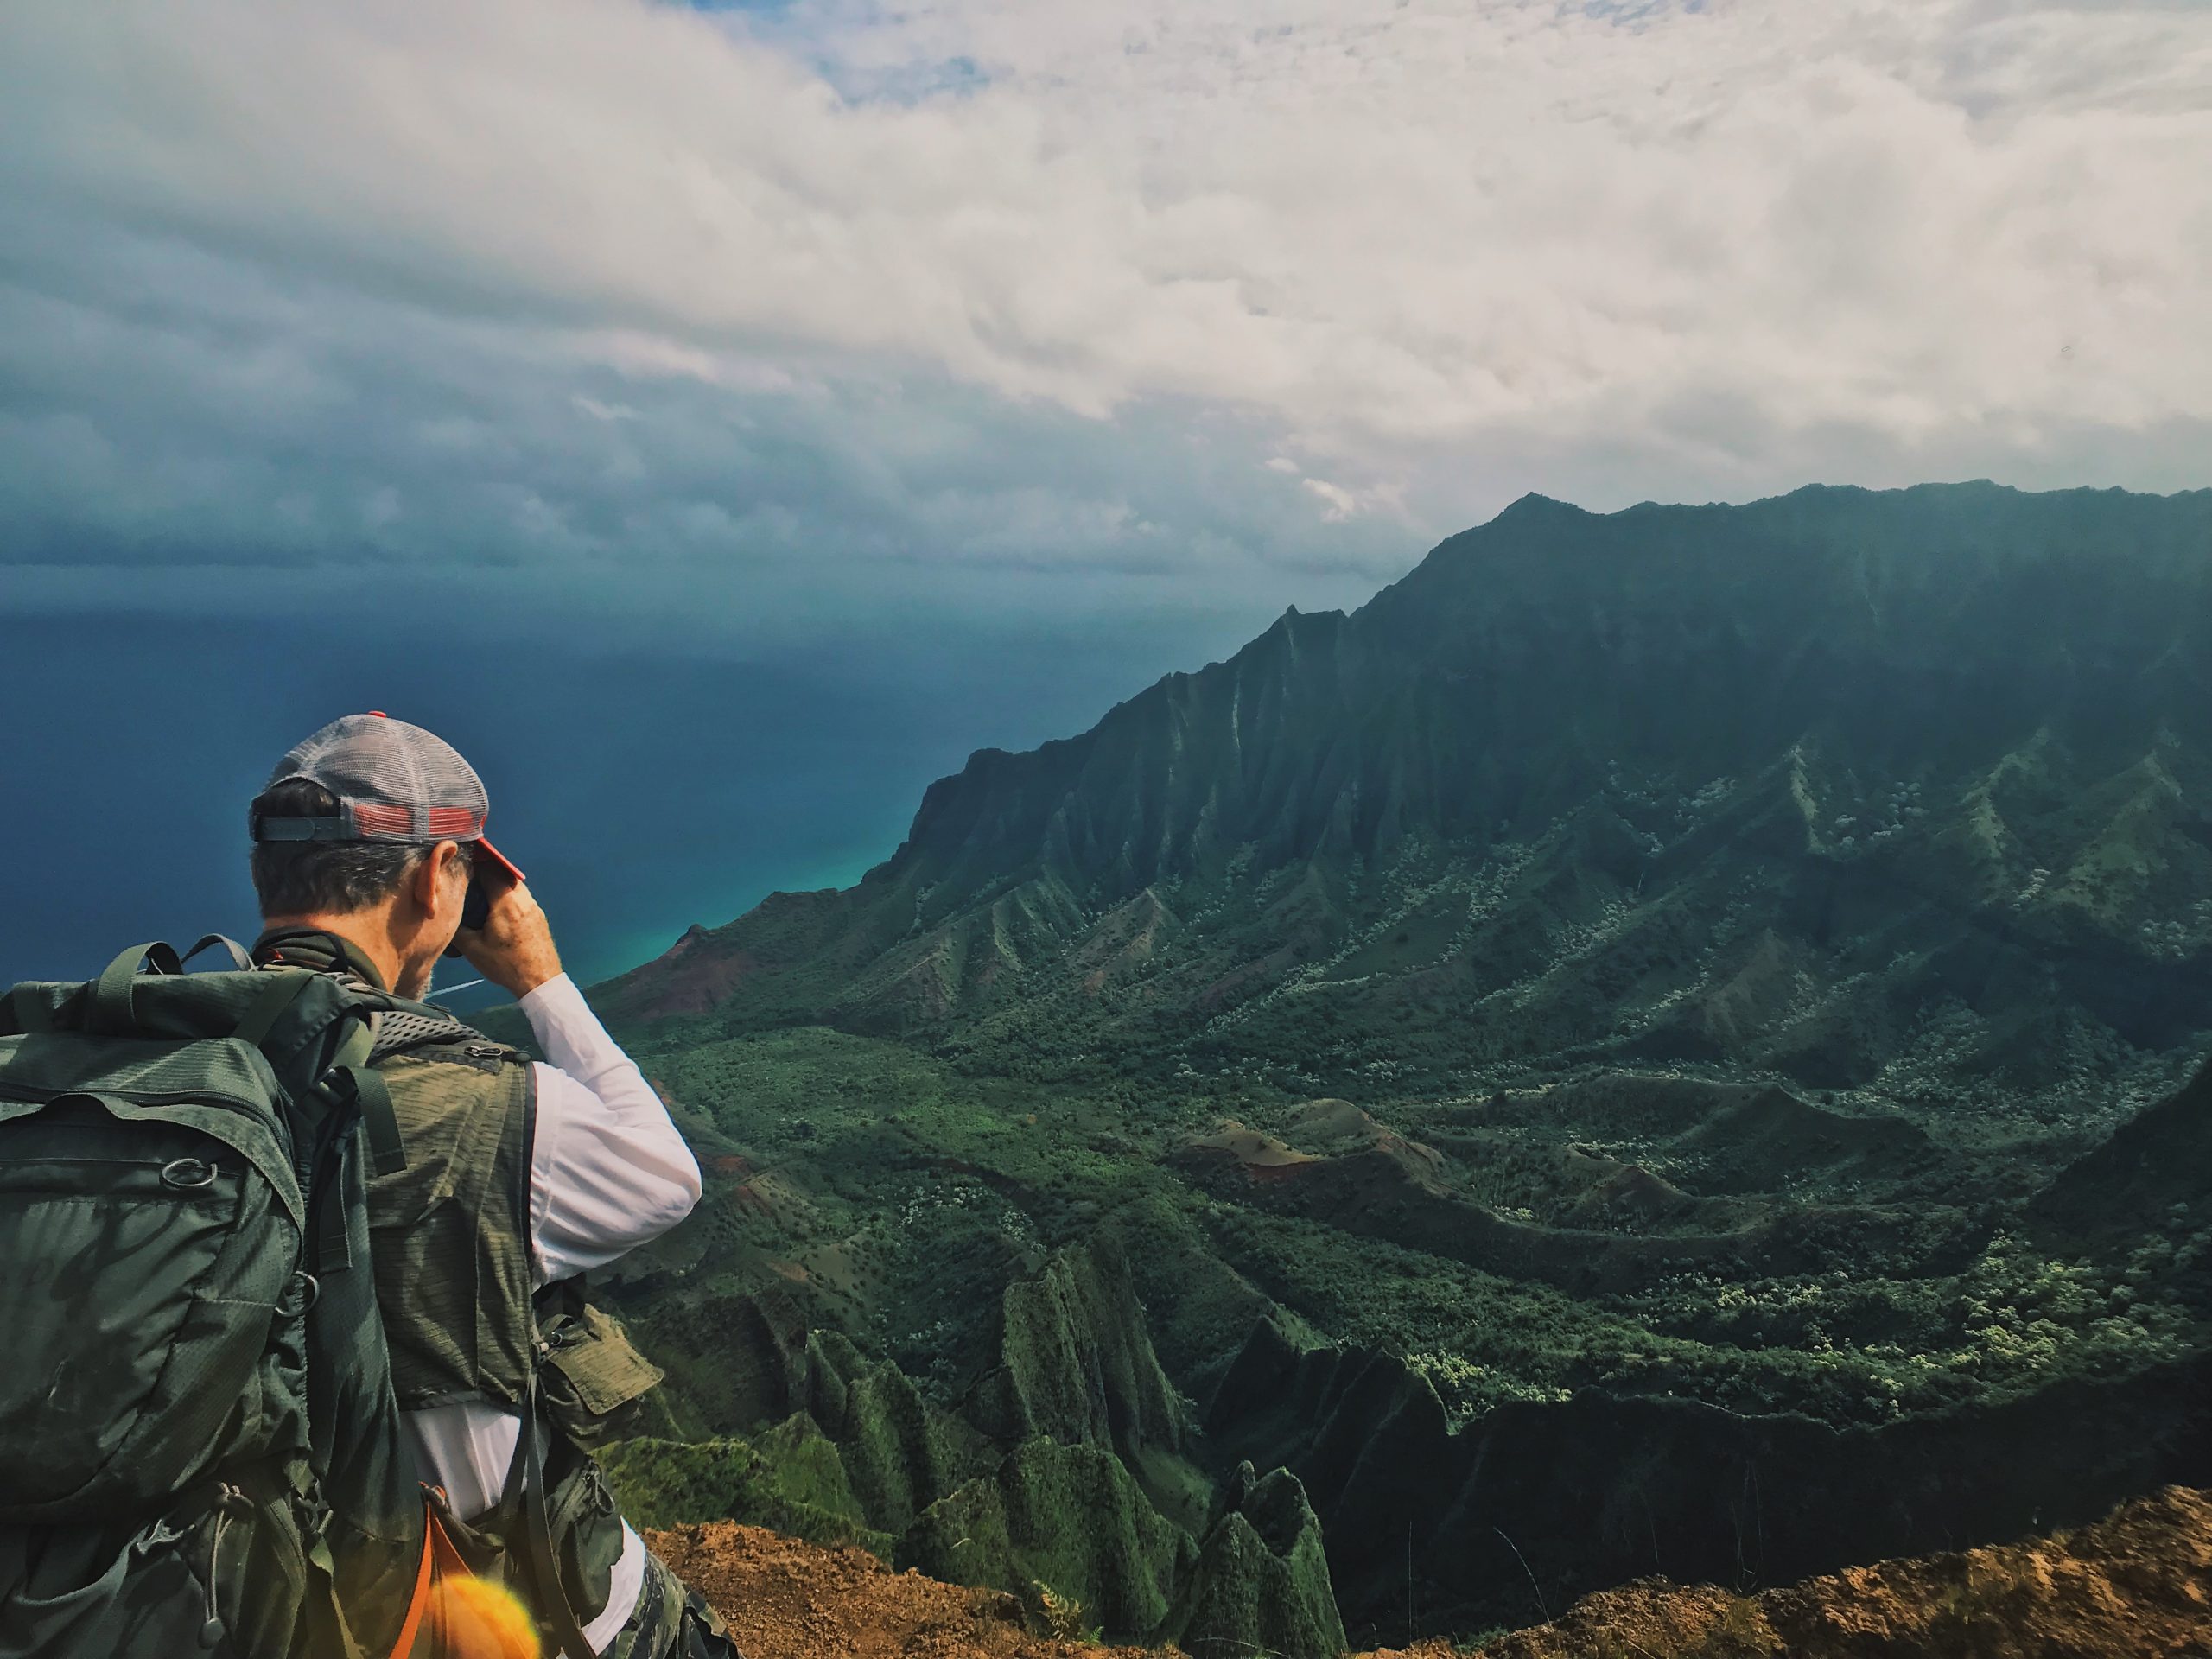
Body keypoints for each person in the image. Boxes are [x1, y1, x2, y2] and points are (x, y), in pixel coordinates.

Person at [245, 711, 736, 1659]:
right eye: (462, 870)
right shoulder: (496, 1110)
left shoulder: (165, 1071)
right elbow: (668, 1181)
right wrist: (542, 982)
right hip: (477, 1599)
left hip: (247, 1592)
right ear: (437, 879)